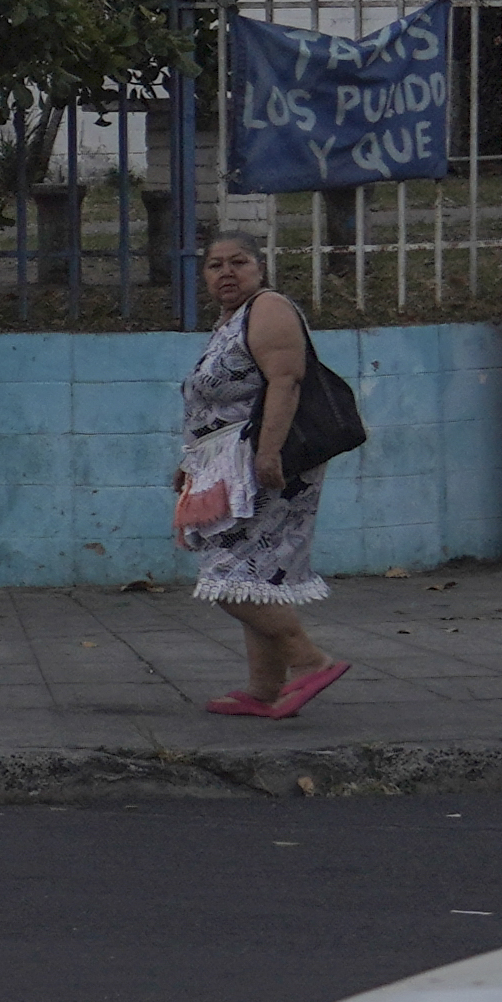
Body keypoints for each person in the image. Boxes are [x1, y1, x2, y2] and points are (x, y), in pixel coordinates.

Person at [182, 228, 350, 720]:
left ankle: (310, 662)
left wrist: (269, 453)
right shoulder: (229, 322)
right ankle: (264, 688)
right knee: (257, 577)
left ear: (260, 268)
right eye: (216, 265)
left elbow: (286, 380)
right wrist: (189, 465)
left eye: (239, 262)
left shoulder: (269, 308)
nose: (227, 272)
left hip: (262, 465)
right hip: (227, 466)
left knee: (228, 576)